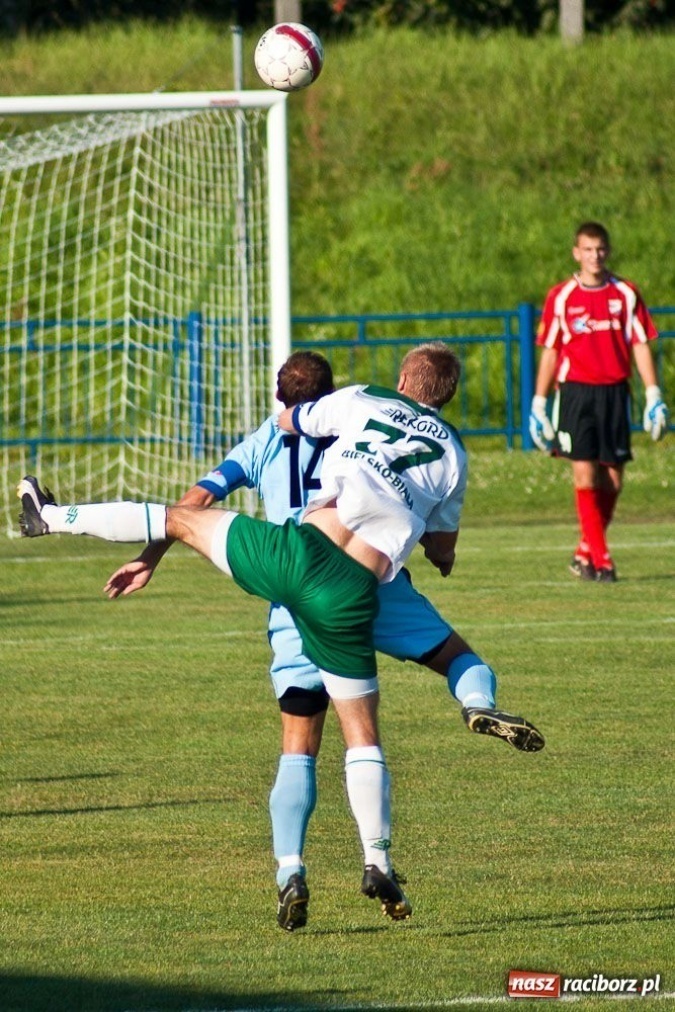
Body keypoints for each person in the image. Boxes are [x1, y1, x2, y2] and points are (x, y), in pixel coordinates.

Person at [19, 344, 544, 928]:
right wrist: (433, 546)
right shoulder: (452, 452)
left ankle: (52, 517)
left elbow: (288, 423)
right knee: (371, 726)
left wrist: (153, 557)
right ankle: (384, 847)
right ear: (448, 394)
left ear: (400, 377)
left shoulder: (351, 405)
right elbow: (441, 546)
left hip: (291, 560)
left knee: (179, 520)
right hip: (359, 596)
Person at [529, 221, 669, 582]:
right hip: (576, 393)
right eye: (587, 250)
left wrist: (653, 394)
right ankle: (602, 560)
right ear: (577, 253)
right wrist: (539, 403)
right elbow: (550, 351)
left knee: (613, 480)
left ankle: (584, 551)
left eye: (600, 249)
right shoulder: (561, 296)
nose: (595, 256)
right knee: (584, 471)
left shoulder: (625, 293)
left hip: (614, 393)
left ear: (608, 251)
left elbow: (640, 344)